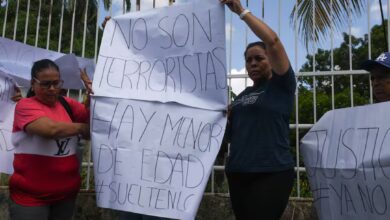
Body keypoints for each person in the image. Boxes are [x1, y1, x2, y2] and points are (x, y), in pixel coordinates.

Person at [220, 0, 296, 219]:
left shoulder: (282, 85)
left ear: (271, 61)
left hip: (271, 173)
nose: (252, 63)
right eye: (248, 60)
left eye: (259, 58)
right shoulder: (241, 97)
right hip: (238, 173)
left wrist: (241, 12)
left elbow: (272, 41)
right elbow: (229, 136)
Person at [9, 59, 91, 220]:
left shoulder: (67, 104)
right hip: (31, 199)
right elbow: (50, 129)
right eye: (46, 84)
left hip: (66, 196)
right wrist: (81, 128)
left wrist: (93, 93)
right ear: (33, 83)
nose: (52, 89)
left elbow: (92, 124)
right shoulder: (25, 106)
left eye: (56, 83)